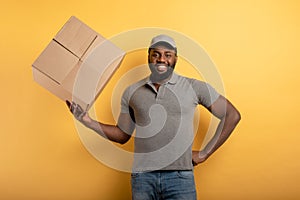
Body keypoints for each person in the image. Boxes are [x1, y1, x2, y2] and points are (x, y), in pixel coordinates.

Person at [67, 34, 241, 200]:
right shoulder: (132, 91)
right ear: (148, 56)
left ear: (175, 58)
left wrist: (204, 153)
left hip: (180, 178)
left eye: (168, 55)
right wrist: (87, 121)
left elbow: (232, 115)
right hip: (143, 179)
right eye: (156, 54)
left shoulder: (193, 87)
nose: (161, 59)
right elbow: (122, 135)